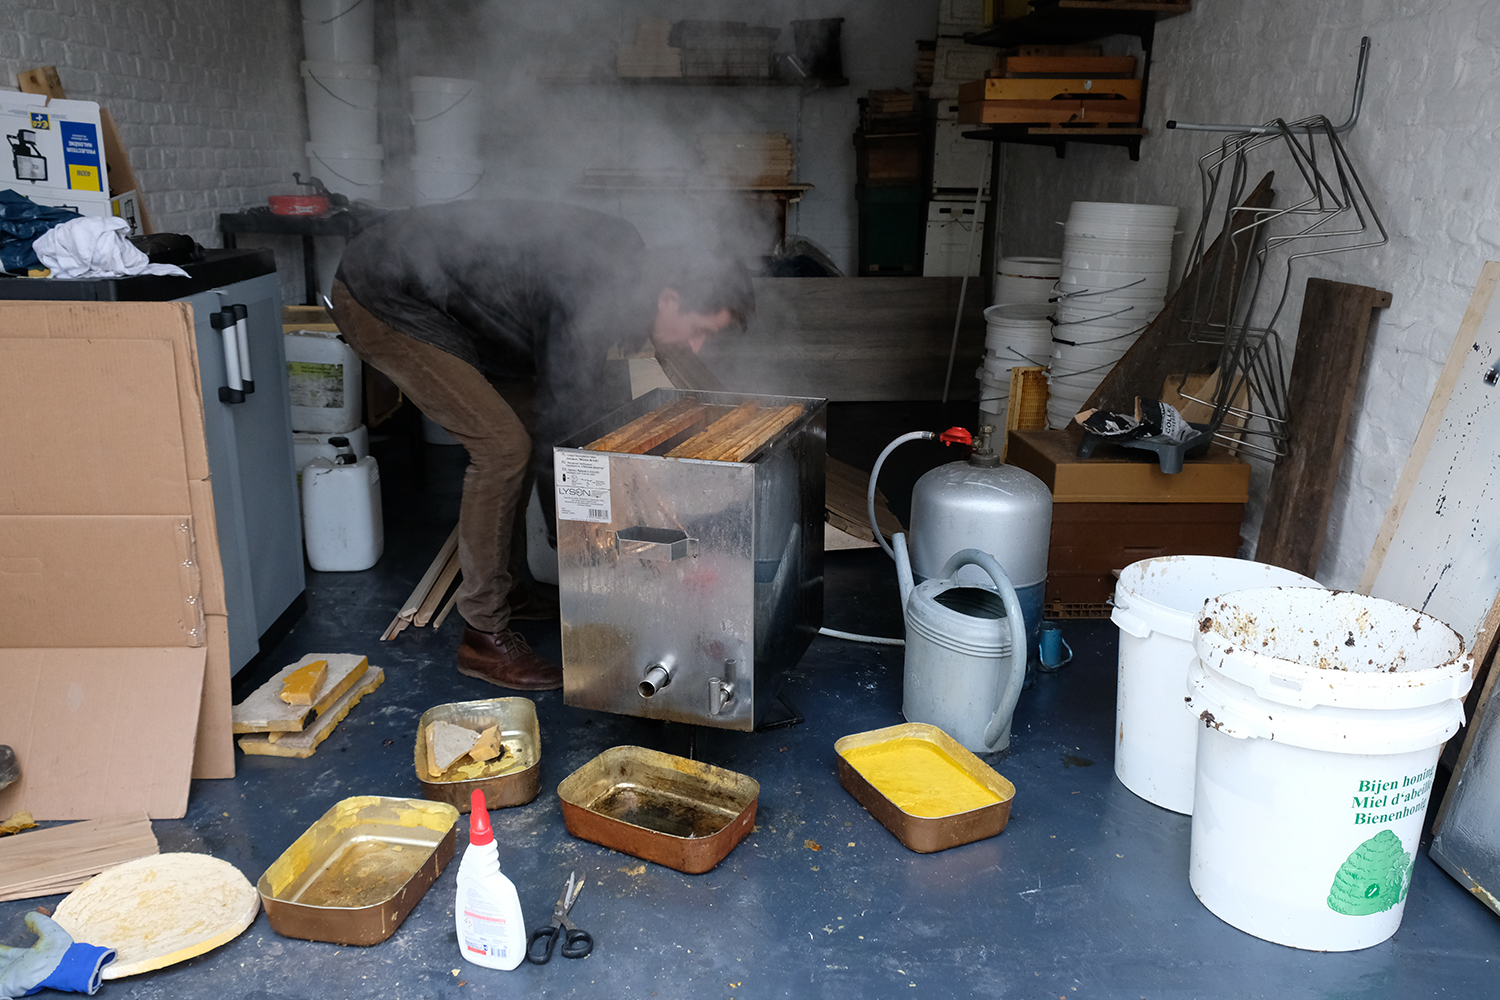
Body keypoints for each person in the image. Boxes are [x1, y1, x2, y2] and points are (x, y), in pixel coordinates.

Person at [329, 200, 754, 691]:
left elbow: (582, 403)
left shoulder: (623, 270)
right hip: (383, 297)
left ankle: (511, 590)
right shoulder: (590, 286)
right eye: (700, 330)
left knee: (523, 428)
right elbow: (565, 428)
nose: (696, 347)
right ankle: (483, 634)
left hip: (448, 302)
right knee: (502, 447)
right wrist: (589, 553)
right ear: (668, 298)